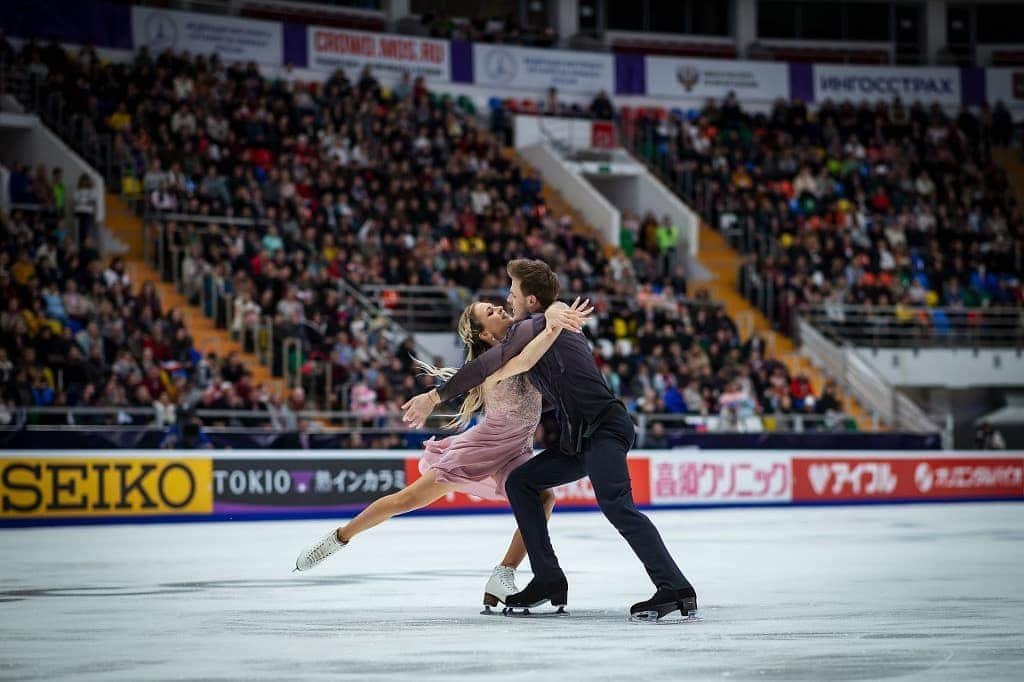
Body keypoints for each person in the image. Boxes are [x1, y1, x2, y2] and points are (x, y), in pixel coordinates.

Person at [402, 259, 697, 621]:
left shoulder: (536, 323)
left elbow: (484, 365)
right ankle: (548, 578)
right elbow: (498, 365)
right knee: (522, 481)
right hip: (580, 439)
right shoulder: (544, 324)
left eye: (512, 293)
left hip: (604, 427)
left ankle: (675, 587)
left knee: (617, 504)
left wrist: (433, 398)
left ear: (530, 301)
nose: (507, 299)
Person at [294, 297, 592, 612]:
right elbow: (521, 359)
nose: (500, 309)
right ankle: (339, 537)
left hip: (514, 449)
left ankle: (503, 574)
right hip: (481, 449)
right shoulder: (495, 358)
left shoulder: (519, 340)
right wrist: (553, 322)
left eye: (495, 305)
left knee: (544, 497)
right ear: (486, 336)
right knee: (405, 501)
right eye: (490, 312)